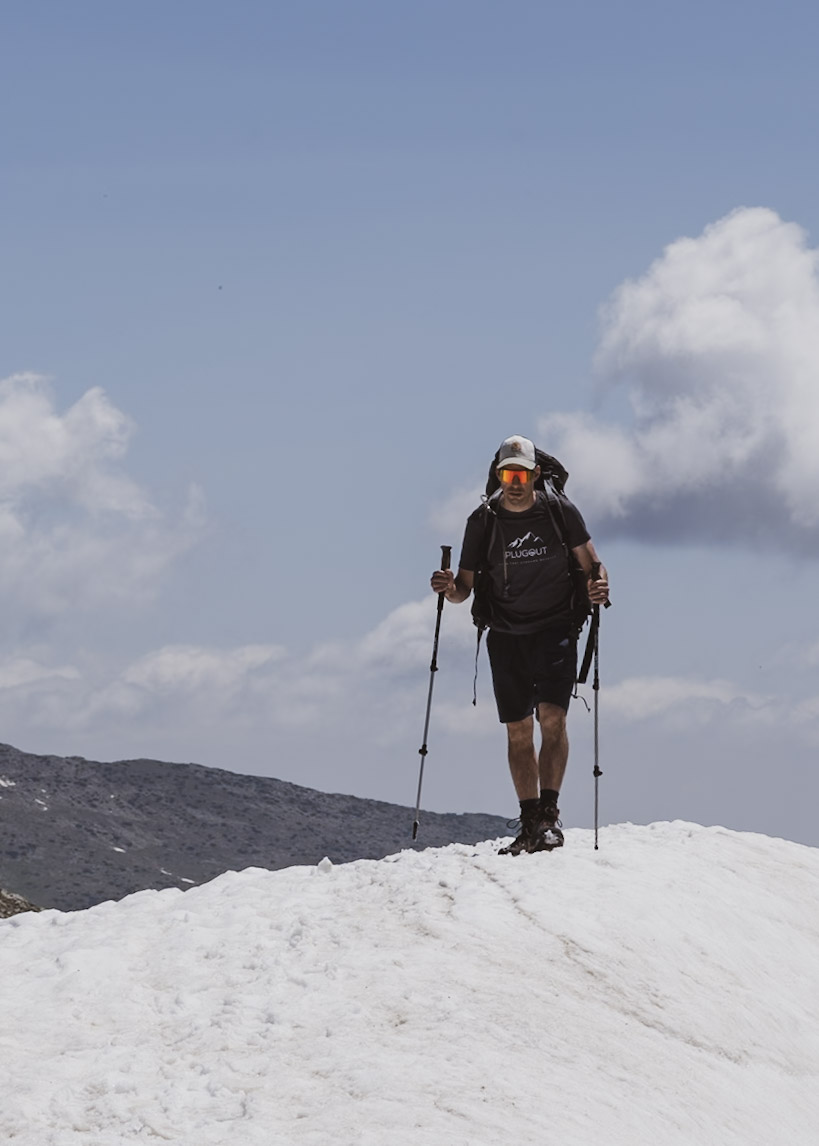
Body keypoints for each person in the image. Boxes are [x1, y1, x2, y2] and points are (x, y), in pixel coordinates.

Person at [430, 434, 609, 855]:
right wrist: (449, 587)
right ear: (498, 475)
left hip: (556, 628)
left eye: (522, 474)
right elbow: (465, 591)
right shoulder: (483, 521)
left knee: (552, 719)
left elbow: (593, 565)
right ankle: (529, 821)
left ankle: (548, 818)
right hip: (506, 635)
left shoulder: (560, 512)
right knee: (517, 730)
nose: (515, 481)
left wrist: (599, 588)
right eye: (508, 473)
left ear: (536, 474)